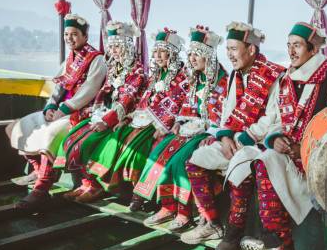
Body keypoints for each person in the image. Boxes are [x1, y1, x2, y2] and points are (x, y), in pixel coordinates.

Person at [234, 22, 327, 250]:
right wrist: (273, 139)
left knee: (266, 165)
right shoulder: (285, 81)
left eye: (296, 45)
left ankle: (280, 246)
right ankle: (278, 245)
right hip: (287, 156)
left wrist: (306, 149)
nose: (291, 51)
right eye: (288, 45)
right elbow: (275, 120)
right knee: (260, 160)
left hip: (317, 164)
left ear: (312, 49)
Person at [180, 21, 285, 245]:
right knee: (194, 161)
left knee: (240, 169)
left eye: (233, 49)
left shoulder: (274, 75)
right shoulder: (234, 77)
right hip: (234, 139)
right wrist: (225, 136)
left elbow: (272, 118)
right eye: (227, 49)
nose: (229, 55)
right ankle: (212, 223)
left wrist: (243, 137)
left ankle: (234, 232)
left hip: (258, 143)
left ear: (251, 50)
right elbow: (227, 113)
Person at [7, 11, 106, 209]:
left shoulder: (96, 59)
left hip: (81, 113)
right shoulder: (69, 59)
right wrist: (50, 107)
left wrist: (62, 110)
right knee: (15, 127)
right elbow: (59, 87)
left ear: (85, 37)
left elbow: (89, 90)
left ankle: (42, 188)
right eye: (66, 34)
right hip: (61, 110)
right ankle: (38, 169)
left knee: (50, 135)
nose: (70, 38)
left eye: (74, 34)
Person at [134, 25, 228, 229]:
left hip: (206, 133)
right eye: (191, 54)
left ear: (209, 56)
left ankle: (184, 212)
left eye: (197, 54)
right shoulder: (195, 80)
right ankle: (167, 207)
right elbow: (186, 106)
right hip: (189, 129)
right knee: (158, 152)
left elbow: (222, 117)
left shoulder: (223, 81)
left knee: (178, 161)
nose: (192, 59)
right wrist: (179, 122)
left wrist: (212, 133)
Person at [82, 28, 189, 206]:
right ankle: (101, 183)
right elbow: (144, 101)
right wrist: (127, 118)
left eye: (163, 51)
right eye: (156, 51)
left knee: (134, 147)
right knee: (117, 136)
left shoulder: (182, 77)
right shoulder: (155, 75)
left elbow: (175, 105)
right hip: (141, 118)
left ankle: (138, 194)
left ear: (173, 53)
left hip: (159, 123)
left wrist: (159, 126)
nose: (158, 55)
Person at [56, 21, 145, 200]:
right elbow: (103, 91)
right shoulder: (113, 69)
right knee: (74, 138)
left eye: (117, 47)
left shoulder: (137, 71)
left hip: (126, 118)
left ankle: (97, 186)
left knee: (90, 142)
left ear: (127, 47)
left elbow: (125, 101)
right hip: (105, 114)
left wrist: (106, 121)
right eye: (111, 47)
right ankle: (86, 183)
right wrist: (96, 111)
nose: (113, 52)